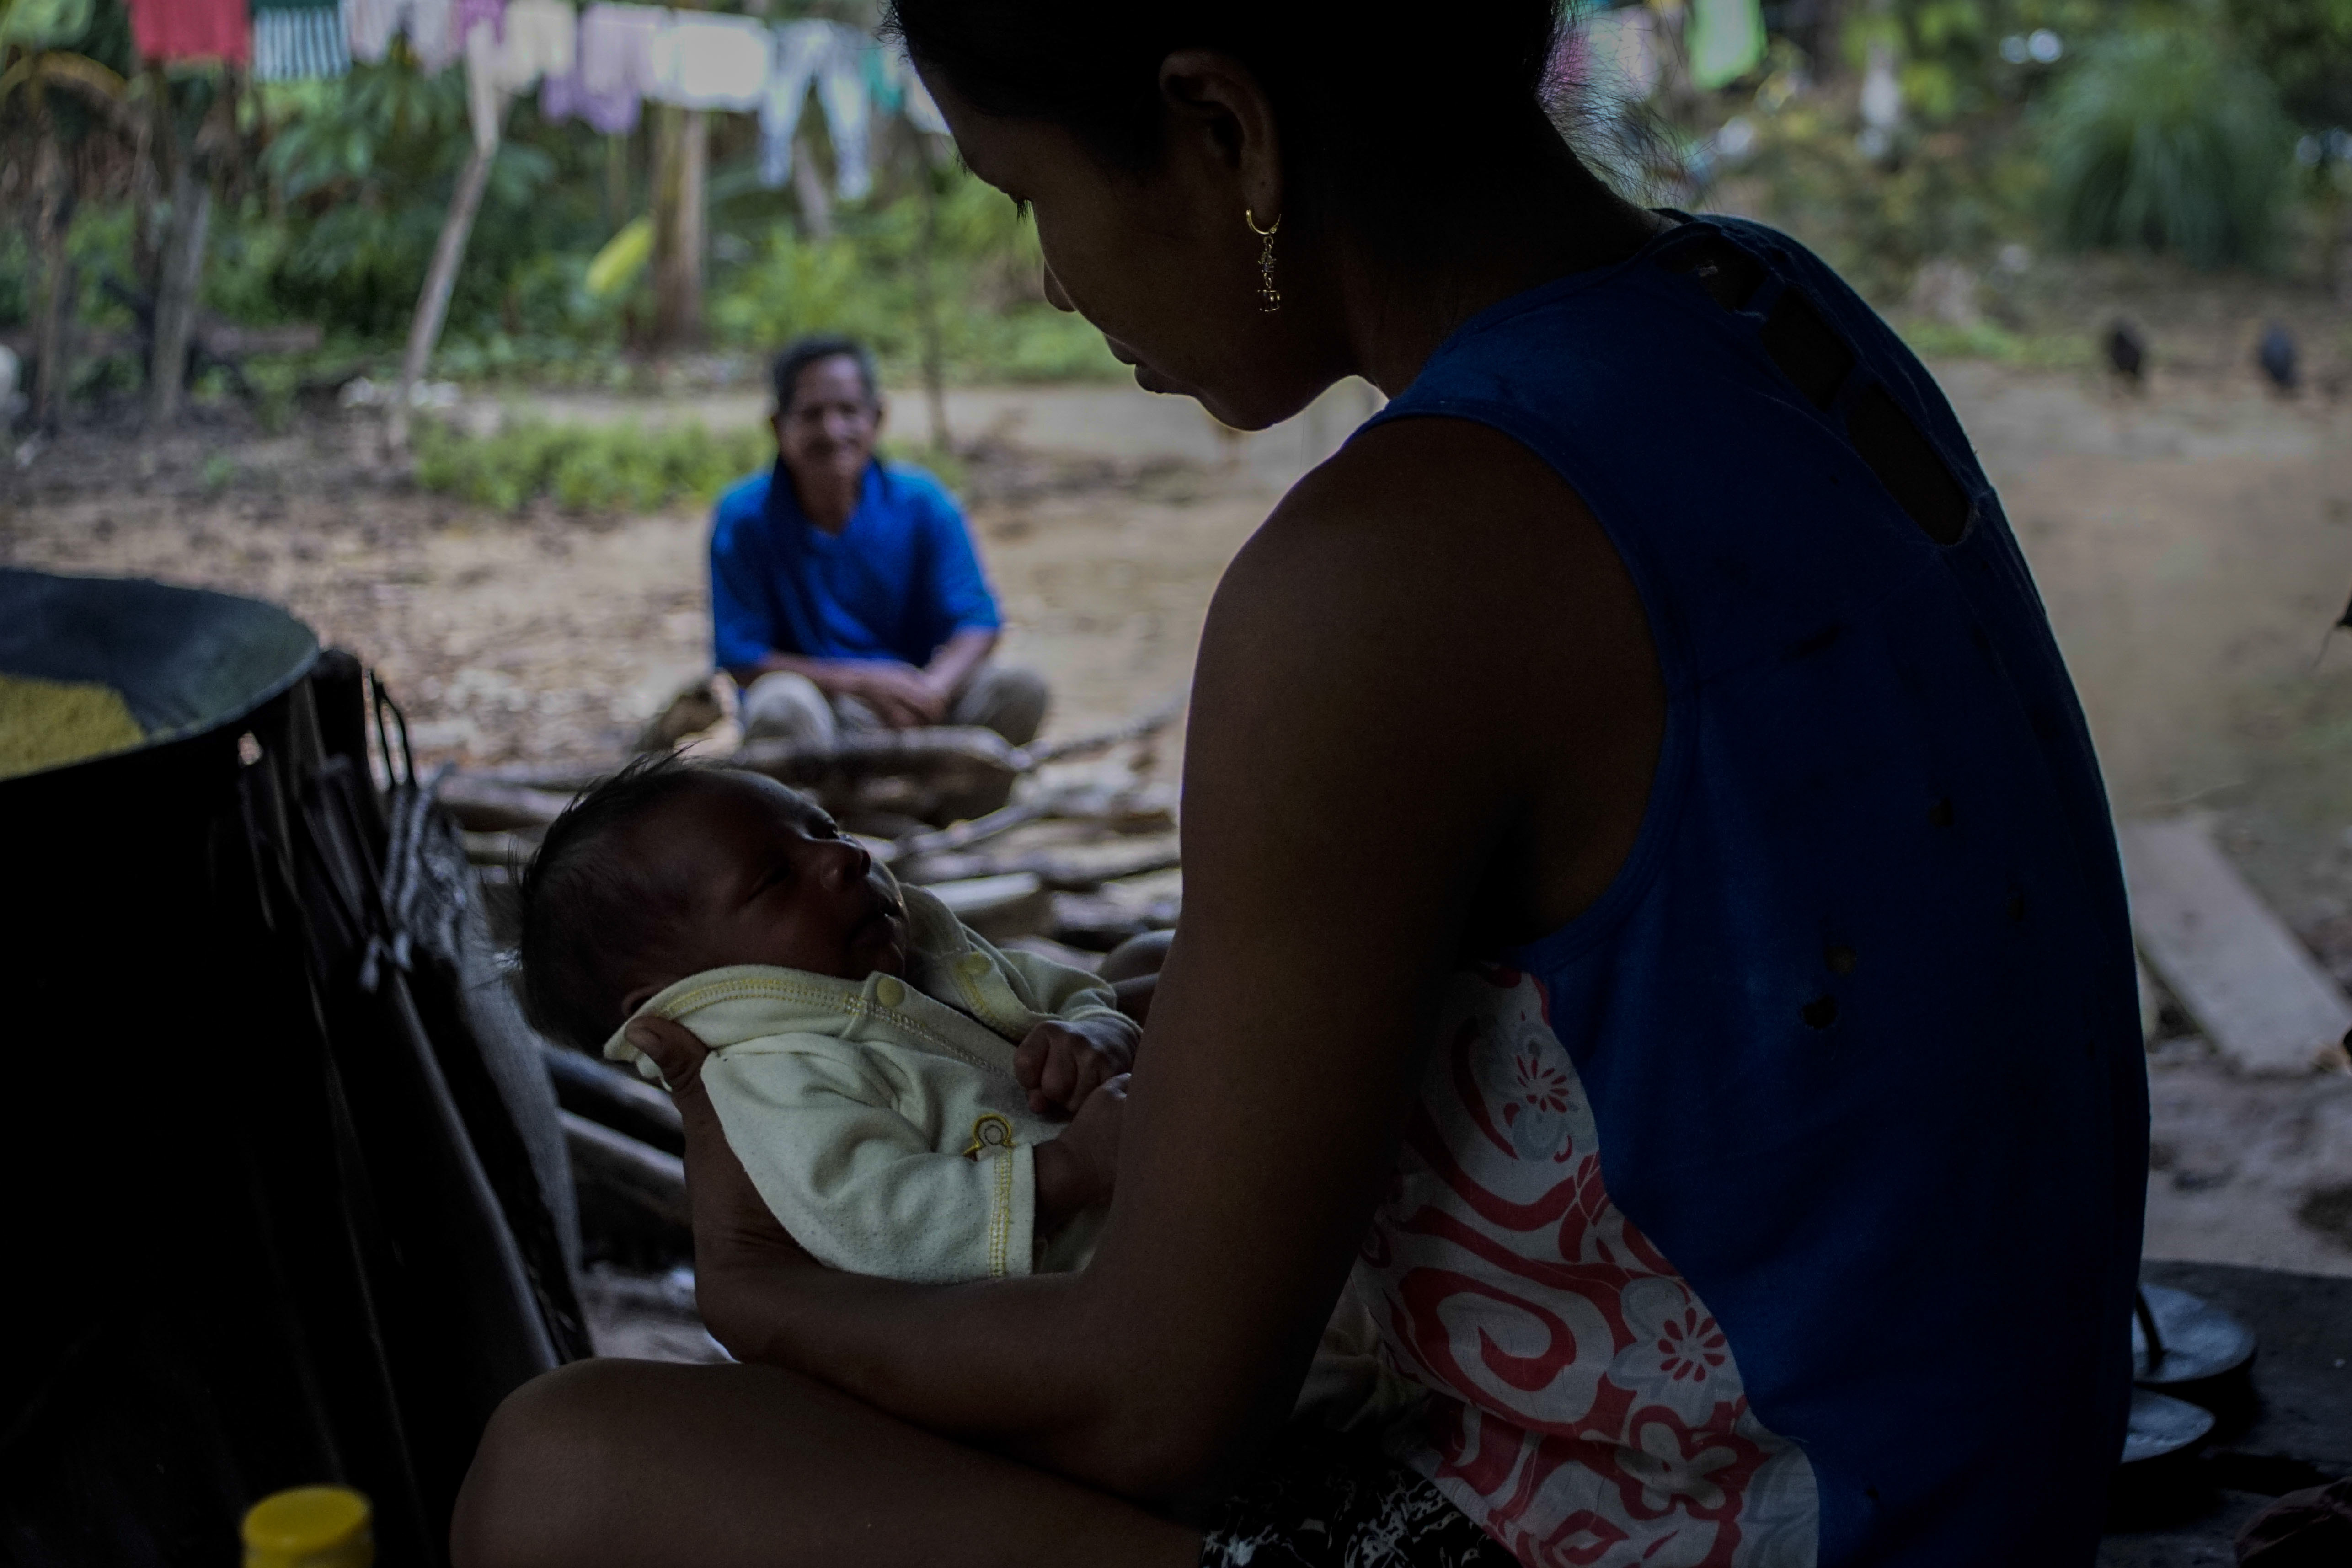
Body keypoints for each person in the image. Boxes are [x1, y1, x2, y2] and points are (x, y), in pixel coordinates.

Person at [455, 3, 2148, 1564]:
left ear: (1223, 127)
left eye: (1021, 190)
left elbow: (1149, 1411)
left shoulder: (1385, 568)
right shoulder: (1771, 307)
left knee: (566, 1471)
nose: (1046, 276)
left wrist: (764, 1293)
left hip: (1734, 1526)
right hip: (1983, 1461)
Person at [514, 756, 1136, 1280]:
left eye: (826, 827)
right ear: (686, 994)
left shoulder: (928, 958)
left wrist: (1096, 1032)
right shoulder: (778, 1081)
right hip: (1088, 1298)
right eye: (776, 877)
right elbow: (888, 1227)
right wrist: (1070, 1171)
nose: (844, 857)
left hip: (1153, 1203)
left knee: (1148, 960)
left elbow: (1072, 994)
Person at [711, 335, 1048, 750]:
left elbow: (978, 623)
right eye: (812, 414)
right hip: (820, 712)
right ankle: (816, 811)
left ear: (877, 417)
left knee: (1020, 689)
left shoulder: (922, 502)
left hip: (920, 709)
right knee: (781, 705)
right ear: (779, 426)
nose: (832, 430)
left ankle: (946, 806)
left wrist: (930, 690)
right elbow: (743, 658)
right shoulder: (744, 518)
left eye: (848, 411)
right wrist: (863, 683)